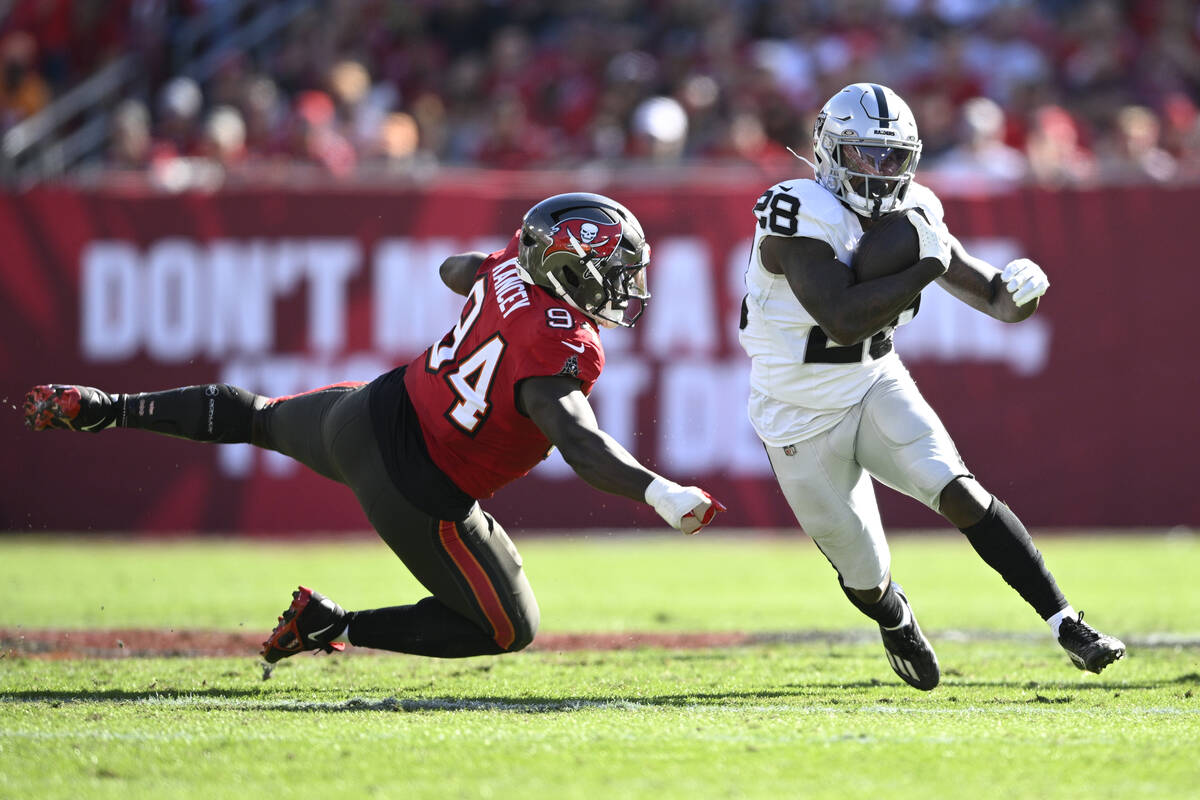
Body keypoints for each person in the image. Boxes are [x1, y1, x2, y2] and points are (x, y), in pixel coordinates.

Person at [24, 192, 724, 668]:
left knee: (256, 416)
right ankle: (333, 626)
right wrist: (661, 494)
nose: (624, 286)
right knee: (510, 629)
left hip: (369, 413)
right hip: (421, 485)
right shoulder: (560, 343)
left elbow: (457, 270)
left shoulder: (516, 262)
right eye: (612, 271)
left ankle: (107, 407)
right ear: (568, 267)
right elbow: (580, 444)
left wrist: (494, 280)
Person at [738, 83, 1124, 691]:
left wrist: (1022, 291)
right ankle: (895, 617)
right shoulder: (795, 207)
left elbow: (994, 298)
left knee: (960, 491)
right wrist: (927, 262)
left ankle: (1066, 623)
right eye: (866, 154)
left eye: (894, 156)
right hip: (796, 412)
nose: (882, 170)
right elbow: (840, 318)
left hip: (873, 382)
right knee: (864, 575)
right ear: (832, 151)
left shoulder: (917, 210)